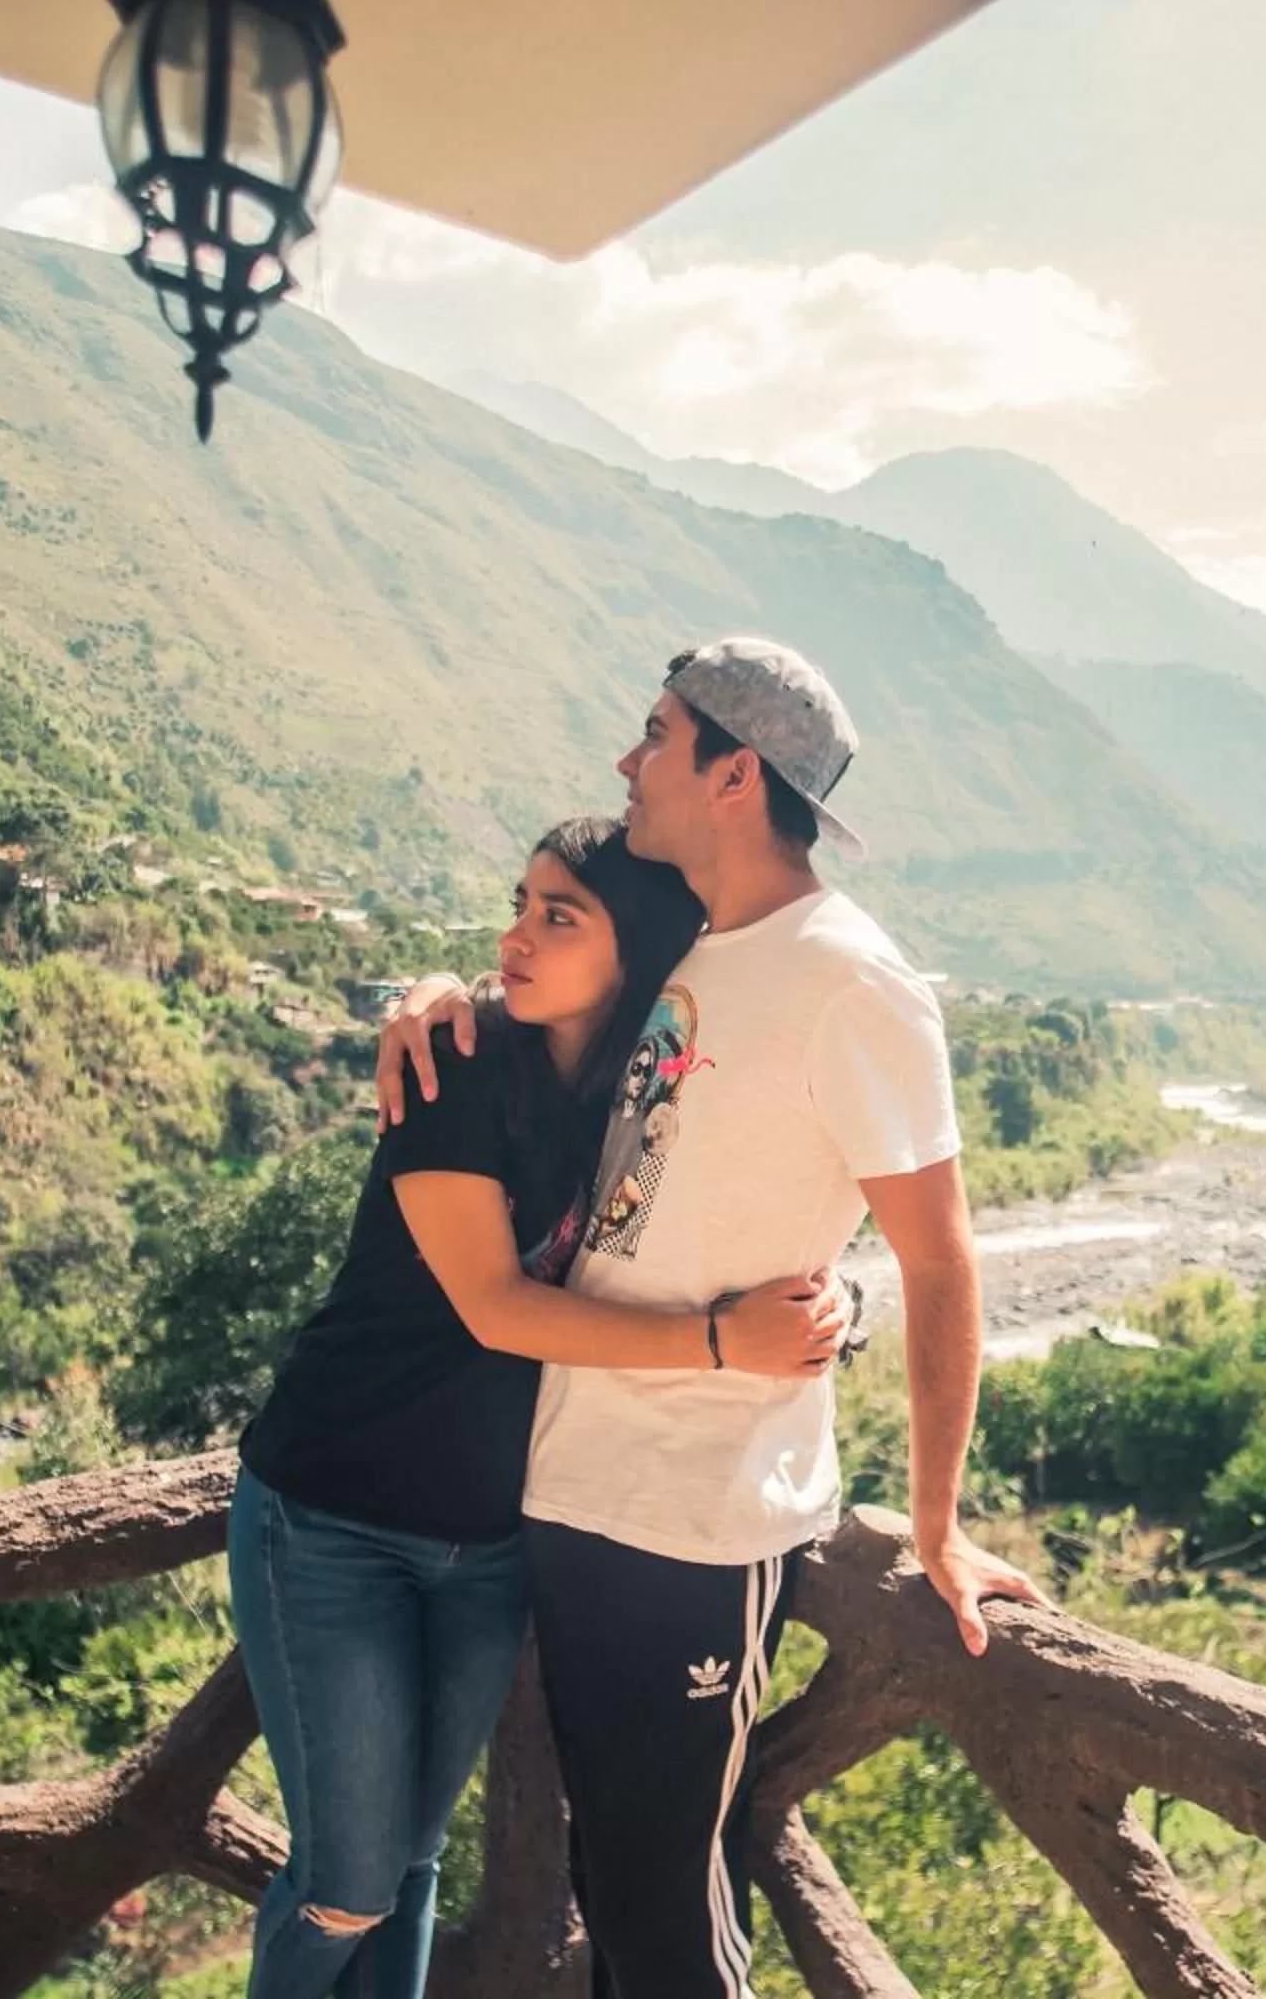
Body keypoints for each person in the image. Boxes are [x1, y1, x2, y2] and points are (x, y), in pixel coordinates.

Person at [378, 637, 1047, 1998]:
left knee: (669, 1910)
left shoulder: (850, 979)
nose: (627, 760)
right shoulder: (698, 942)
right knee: (613, 1887)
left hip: (700, 1514)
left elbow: (941, 1257)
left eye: (655, 734)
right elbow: (554, 1009)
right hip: (580, 1485)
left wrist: (936, 1523)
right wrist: (438, 995)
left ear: (733, 774)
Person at [229, 816, 855, 1999]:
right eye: (519, 905)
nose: (516, 936)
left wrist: (835, 1300)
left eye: (558, 915)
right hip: (328, 1521)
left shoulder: (647, 1100)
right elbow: (494, 1306)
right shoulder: (457, 1067)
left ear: (641, 948)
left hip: (491, 1547)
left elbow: (765, 1214)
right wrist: (721, 1343)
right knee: (349, 1880)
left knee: (410, 1863)